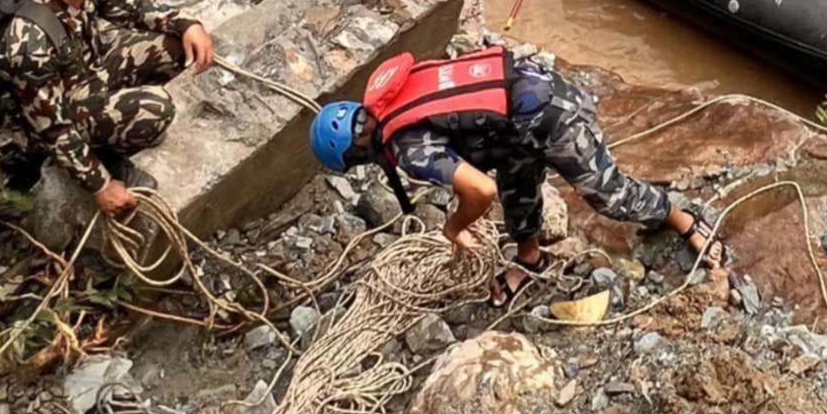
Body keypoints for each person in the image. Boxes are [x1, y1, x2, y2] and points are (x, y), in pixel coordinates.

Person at [308, 47, 726, 306]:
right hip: (517, 116)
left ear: (356, 158)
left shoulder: (407, 147)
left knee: (606, 194)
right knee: (518, 189)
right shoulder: (392, 97)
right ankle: (530, 258)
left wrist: (454, 229)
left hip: (550, 114)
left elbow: (479, 189)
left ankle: (679, 217)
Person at [0, 0, 215, 219]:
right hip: (51, 117)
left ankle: (109, 124)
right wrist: (100, 184)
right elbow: (51, 128)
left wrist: (187, 23)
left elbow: (134, 9)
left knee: (175, 47)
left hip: (85, 75)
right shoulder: (30, 45)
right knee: (156, 110)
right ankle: (106, 154)